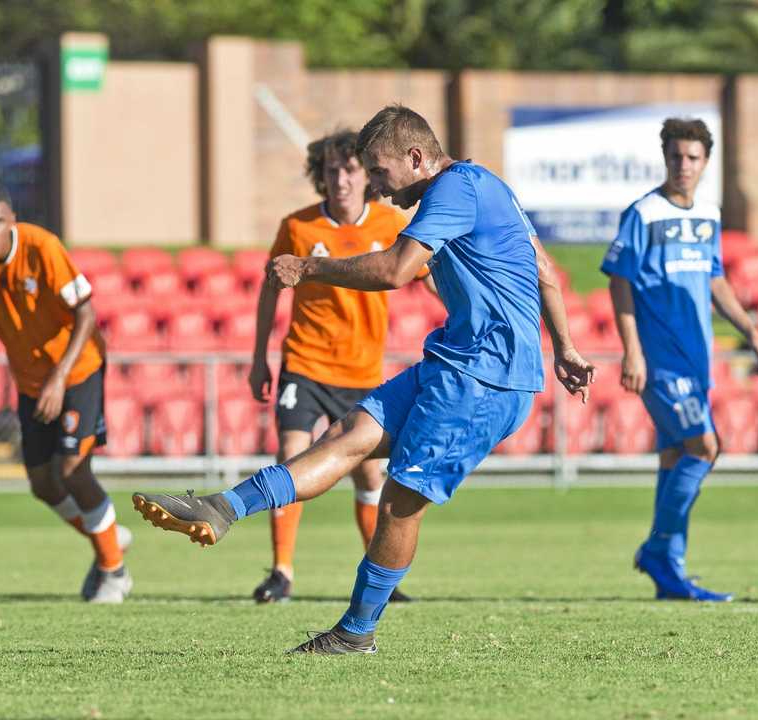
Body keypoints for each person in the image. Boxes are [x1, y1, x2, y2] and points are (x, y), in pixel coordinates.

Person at [133, 104, 594, 654]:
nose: (374, 186)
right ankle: (223, 508)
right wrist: (564, 345)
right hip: (454, 361)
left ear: (417, 158)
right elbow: (544, 269)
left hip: (484, 379)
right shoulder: (485, 187)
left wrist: (310, 267)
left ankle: (356, 632)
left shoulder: (455, 188)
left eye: (379, 172)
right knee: (348, 435)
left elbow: (398, 270)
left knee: (400, 499)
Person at [248, 129, 437, 604]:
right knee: (293, 454)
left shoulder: (390, 228)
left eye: (350, 168)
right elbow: (271, 287)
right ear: (320, 175)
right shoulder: (298, 227)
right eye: (331, 169)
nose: (341, 178)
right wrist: (258, 360)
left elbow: (427, 275)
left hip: (361, 372)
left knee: (371, 477)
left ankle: (382, 578)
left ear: (367, 175)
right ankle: (282, 572)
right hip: (305, 365)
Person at [601, 118, 758, 602]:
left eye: (692, 157)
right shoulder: (644, 213)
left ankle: (669, 573)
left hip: (697, 358)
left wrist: (752, 331)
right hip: (659, 360)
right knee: (705, 447)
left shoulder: (710, 214)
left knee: (677, 454)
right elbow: (620, 281)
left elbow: (715, 278)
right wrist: (632, 350)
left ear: (705, 162)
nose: (683, 165)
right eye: (676, 156)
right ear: (665, 157)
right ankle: (659, 550)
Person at [0, 182, 131, 603]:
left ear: (12, 221)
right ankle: (111, 540)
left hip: (78, 369)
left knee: (72, 471)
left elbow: (86, 312)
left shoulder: (42, 247)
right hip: (30, 381)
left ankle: (113, 570)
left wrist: (60, 377)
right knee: (43, 484)